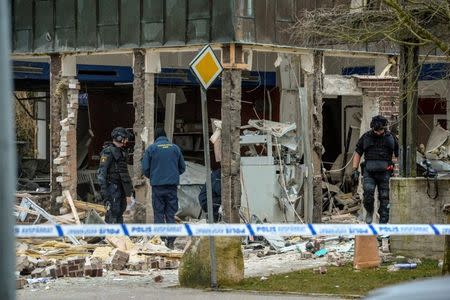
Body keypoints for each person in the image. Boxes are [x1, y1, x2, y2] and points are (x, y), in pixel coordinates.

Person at [142, 128, 186, 249]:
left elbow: (145, 168)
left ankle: (160, 240)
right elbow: (182, 167)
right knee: (170, 214)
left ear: (156, 137)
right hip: (172, 187)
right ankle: (171, 241)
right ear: (165, 136)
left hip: (157, 187)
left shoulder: (151, 149)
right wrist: (173, 175)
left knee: (159, 213)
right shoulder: (175, 148)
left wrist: (153, 176)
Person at [352, 115, 398, 224]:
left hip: (385, 172)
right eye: (376, 130)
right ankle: (369, 211)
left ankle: (383, 225)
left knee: (384, 198)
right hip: (369, 172)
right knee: (368, 194)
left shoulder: (391, 138)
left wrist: (400, 172)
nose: (378, 132)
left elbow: (399, 154)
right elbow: (358, 153)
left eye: (381, 130)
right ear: (373, 128)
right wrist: (354, 170)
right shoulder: (366, 137)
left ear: (385, 127)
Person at [97, 127, 134, 224]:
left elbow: (123, 173)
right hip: (112, 187)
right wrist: (104, 192)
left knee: (120, 211)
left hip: (120, 187)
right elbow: (102, 173)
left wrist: (129, 190)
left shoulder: (121, 151)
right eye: (125, 138)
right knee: (113, 212)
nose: (126, 140)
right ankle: (110, 237)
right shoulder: (108, 151)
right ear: (119, 137)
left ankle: (119, 236)